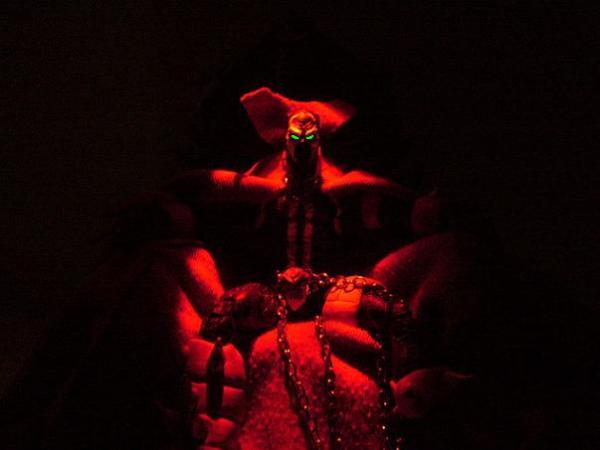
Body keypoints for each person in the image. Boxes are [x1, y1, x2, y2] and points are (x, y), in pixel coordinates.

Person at [3, 87, 499, 449]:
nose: (301, 146)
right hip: (251, 292)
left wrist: (422, 214)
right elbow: (197, 209)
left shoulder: (357, 203)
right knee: (164, 284)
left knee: (441, 270)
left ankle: (440, 389)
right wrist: (169, 217)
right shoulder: (243, 202)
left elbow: (403, 217)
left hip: (347, 290)